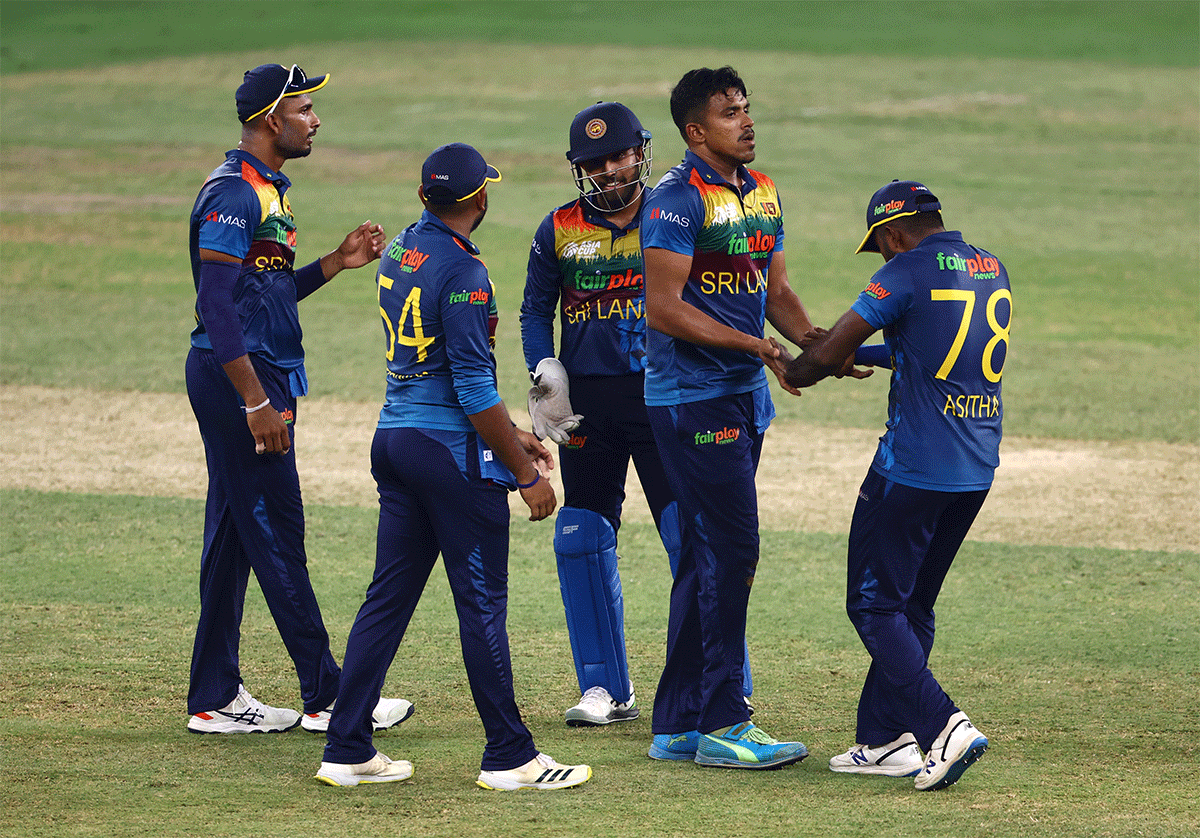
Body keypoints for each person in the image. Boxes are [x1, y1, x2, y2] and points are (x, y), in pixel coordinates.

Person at [314, 143, 592, 790]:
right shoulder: (466, 274)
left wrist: (515, 436)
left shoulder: (402, 248)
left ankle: (347, 745)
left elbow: (449, 384)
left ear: (423, 198)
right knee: (482, 606)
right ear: (480, 199)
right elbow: (470, 390)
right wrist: (525, 474)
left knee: (386, 600)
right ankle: (510, 757)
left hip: (397, 441)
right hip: (449, 457)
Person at [185, 63, 413, 736]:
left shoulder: (266, 191)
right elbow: (216, 305)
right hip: (242, 381)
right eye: (305, 109)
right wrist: (255, 401)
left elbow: (263, 294)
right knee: (278, 532)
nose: (315, 120)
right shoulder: (234, 194)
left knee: (236, 534)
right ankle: (330, 695)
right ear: (268, 119)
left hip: (255, 374)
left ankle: (214, 695)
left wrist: (333, 264)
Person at [520, 102, 754, 727]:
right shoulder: (557, 229)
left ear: (641, 152)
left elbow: (719, 295)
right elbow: (533, 312)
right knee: (581, 537)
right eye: (593, 163)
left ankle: (725, 684)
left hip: (666, 396)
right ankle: (604, 689)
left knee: (691, 537)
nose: (609, 170)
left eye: (619, 156)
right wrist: (545, 371)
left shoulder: (673, 211)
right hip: (587, 407)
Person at [784, 180, 1008, 791]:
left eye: (880, 246)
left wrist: (799, 362)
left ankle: (944, 728)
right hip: (974, 468)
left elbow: (823, 354)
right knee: (912, 605)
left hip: (912, 470)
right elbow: (936, 348)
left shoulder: (904, 271)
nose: (882, 256)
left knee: (874, 606)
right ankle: (884, 740)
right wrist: (870, 356)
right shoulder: (991, 267)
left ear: (893, 233)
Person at [639, 66, 816, 769]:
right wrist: (758, 347)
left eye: (746, 108)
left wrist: (817, 347)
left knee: (710, 556)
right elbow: (665, 308)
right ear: (695, 131)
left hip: (746, 395)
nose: (745, 121)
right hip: (691, 399)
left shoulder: (763, 190)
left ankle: (680, 722)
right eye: (728, 113)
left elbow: (773, 287)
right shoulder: (676, 201)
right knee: (734, 551)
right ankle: (723, 722)